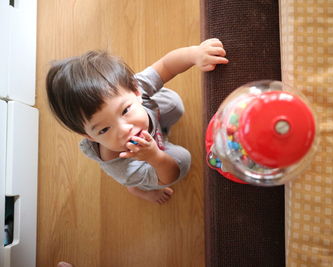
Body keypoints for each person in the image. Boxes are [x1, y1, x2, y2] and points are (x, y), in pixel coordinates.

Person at [46, 38, 228, 204]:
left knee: (173, 103)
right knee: (182, 160)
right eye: (103, 130)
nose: (124, 130)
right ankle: (138, 190)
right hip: (147, 161)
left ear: (135, 91)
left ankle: (156, 130)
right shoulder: (121, 164)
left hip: (152, 121)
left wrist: (195, 54)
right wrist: (153, 157)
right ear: (89, 136)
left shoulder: (128, 87)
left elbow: (166, 66)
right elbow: (169, 176)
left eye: (125, 110)